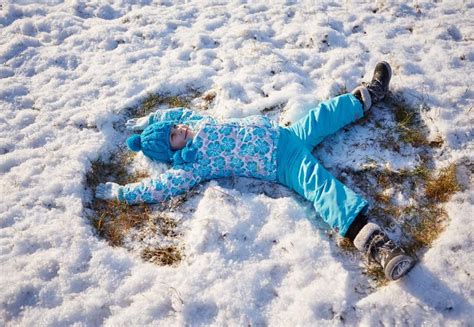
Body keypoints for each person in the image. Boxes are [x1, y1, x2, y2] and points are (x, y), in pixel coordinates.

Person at [96, 62, 415, 281]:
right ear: (172, 150)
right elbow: (161, 187)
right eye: (174, 135)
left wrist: (148, 122)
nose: (180, 128)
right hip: (283, 164)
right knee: (322, 189)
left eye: (176, 127)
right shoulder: (193, 165)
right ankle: (378, 245)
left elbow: (177, 113)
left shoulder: (196, 123)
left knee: (323, 114)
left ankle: (371, 94)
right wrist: (122, 192)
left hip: (289, 134)